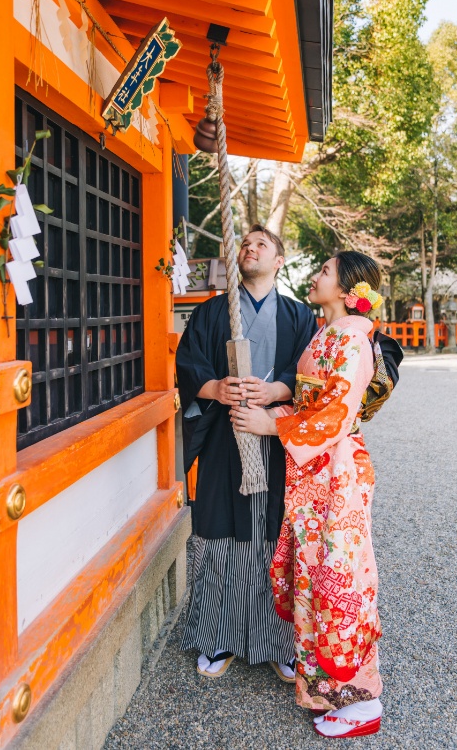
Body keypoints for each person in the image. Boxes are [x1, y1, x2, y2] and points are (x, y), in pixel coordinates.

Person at [231, 251, 399, 738]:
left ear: (349, 291)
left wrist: (272, 425)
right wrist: (276, 409)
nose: (315, 275)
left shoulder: (352, 340)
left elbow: (334, 415)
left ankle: (362, 698)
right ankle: (326, 690)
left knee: (341, 581)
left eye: (325, 271)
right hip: (315, 475)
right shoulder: (328, 334)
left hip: (338, 475)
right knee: (313, 577)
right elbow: (312, 402)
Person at [177, 225, 317, 679]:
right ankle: (218, 636)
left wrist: (277, 390)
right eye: (245, 243)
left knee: (279, 533)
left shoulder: (299, 317)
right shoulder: (213, 312)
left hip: (277, 440)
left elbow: (315, 377)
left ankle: (281, 642)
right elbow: (188, 361)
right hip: (225, 437)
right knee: (219, 532)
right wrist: (214, 387)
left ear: (279, 261)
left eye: (261, 244)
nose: (249, 249)